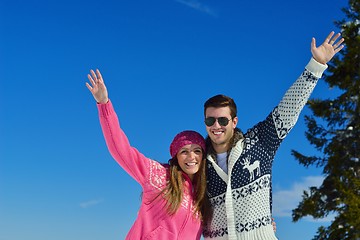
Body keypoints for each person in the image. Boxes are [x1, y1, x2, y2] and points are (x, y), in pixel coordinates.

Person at [202, 31, 344, 239]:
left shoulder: (259, 142)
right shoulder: (199, 163)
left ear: (234, 122)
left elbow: (288, 109)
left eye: (222, 120)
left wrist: (315, 65)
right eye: (210, 120)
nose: (216, 126)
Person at [86, 70, 211, 239]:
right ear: (176, 156)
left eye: (197, 151)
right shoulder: (158, 175)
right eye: (184, 151)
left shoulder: (202, 194)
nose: (191, 157)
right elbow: (119, 149)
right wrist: (104, 104)